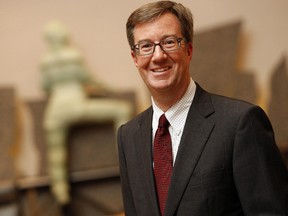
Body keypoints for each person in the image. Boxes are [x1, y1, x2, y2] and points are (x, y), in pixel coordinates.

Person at [117, 1, 288, 215]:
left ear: (189, 50)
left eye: (169, 42)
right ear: (135, 58)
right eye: (146, 46)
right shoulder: (128, 136)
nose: (158, 56)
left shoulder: (240, 123)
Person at [40, 21, 132, 205]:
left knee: (56, 152)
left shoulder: (45, 62)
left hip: (55, 111)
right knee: (122, 110)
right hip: (77, 104)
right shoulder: (73, 55)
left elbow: (45, 86)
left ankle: (61, 193)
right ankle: (128, 165)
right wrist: (105, 89)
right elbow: (88, 78)